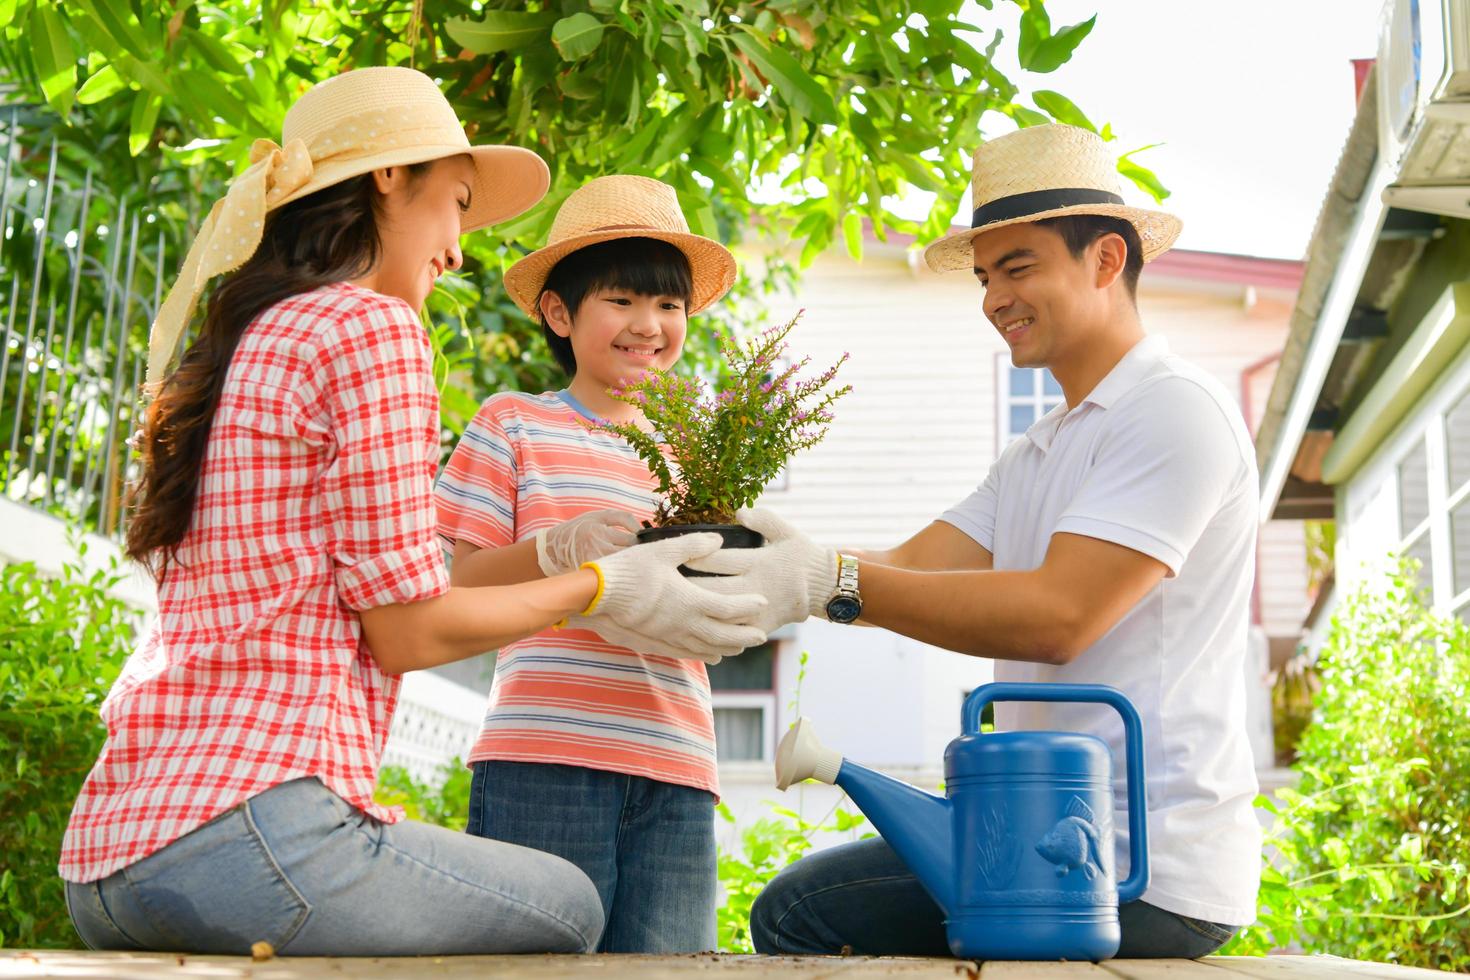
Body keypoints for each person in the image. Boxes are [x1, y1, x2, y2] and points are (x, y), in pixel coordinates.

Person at [58, 67, 765, 958]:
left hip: (111, 859)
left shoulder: (243, 337)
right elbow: (407, 630)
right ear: (391, 178)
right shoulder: (373, 329)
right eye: (458, 203)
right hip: (256, 834)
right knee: (572, 907)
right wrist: (595, 581)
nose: (458, 247)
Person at [702, 124, 1261, 958]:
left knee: (800, 914)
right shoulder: (1038, 450)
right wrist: (747, 554)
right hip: (1047, 837)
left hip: (1136, 863)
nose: (994, 298)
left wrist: (825, 582)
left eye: (1019, 268)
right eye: (985, 276)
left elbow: (1057, 617)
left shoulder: (1174, 411)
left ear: (1107, 261)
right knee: (804, 905)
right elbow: (912, 565)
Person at [433, 174, 739, 953]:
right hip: (541, 755)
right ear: (560, 313)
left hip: (676, 762)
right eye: (623, 301)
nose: (650, 325)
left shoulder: (694, 453)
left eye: (668, 305)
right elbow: (458, 586)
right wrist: (556, 547)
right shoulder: (514, 425)